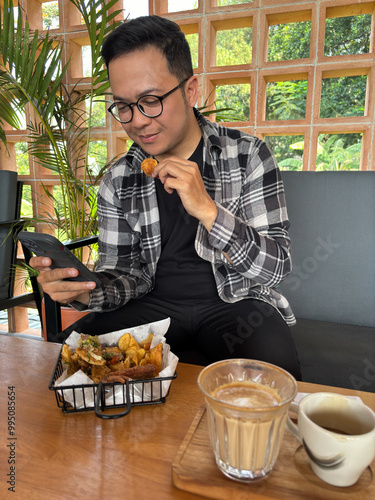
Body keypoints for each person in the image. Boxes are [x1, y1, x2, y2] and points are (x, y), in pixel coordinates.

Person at [30, 15, 301, 379]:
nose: (137, 121)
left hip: (237, 304)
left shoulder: (247, 155)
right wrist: (79, 291)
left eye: (151, 100)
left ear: (190, 90)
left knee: (277, 384)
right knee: (60, 368)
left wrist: (209, 211)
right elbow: (125, 276)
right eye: (123, 106)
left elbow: (276, 268)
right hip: (151, 304)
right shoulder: (120, 178)